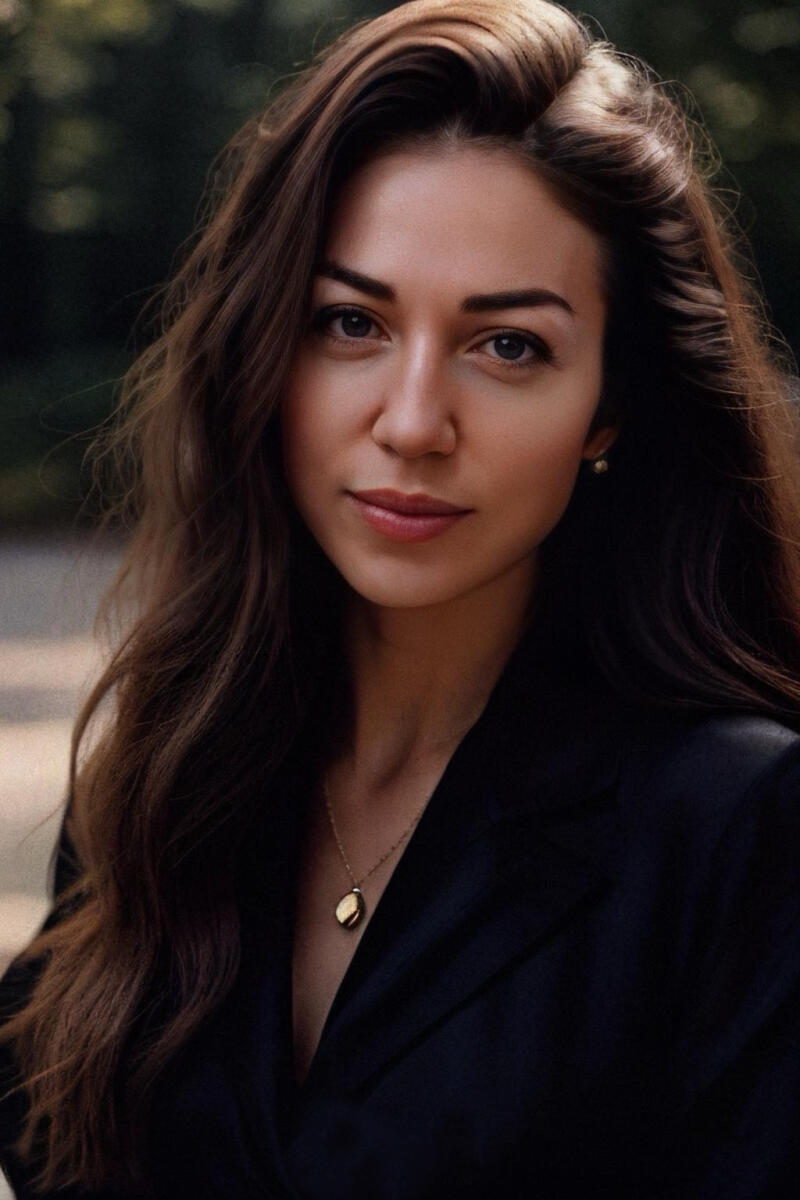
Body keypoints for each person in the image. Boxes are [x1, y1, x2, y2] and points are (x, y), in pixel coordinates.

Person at [2, 0, 800, 1195]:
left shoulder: (741, 827)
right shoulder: (165, 782)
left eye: (507, 346)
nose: (414, 422)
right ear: (263, 355)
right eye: (349, 323)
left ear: (609, 405)